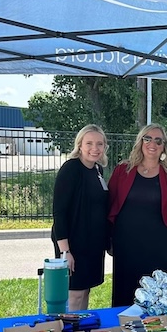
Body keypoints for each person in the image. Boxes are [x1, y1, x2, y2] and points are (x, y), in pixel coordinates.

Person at [108, 125, 167, 307]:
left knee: (157, 297)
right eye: (147, 138)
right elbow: (109, 206)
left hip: (159, 248)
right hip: (126, 246)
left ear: (164, 146)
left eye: (158, 140)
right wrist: (108, 239)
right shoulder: (123, 170)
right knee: (124, 296)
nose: (152, 143)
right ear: (140, 142)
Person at [51, 124, 109, 311]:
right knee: (75, 293)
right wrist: (65, 251)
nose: (95, 148)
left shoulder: (97, 170)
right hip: (73, 242)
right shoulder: (71, 169)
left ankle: (82, 330)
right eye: (89, 143)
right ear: (80, 145)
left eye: (99, 144)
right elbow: (59, 211)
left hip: (92, 242)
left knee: (85, 291)